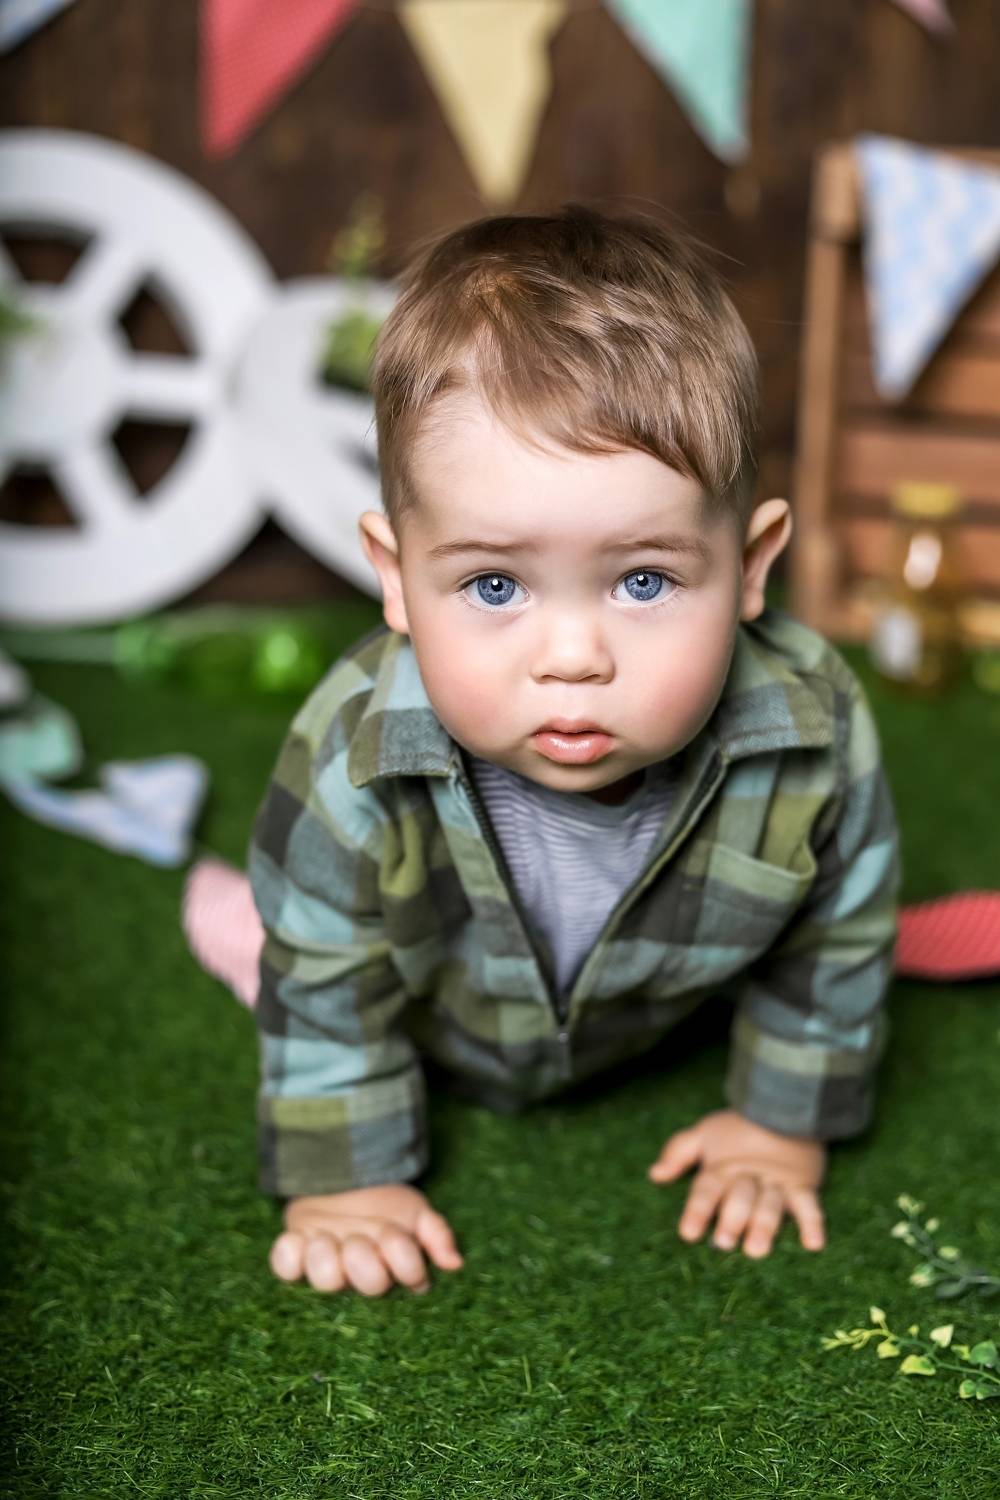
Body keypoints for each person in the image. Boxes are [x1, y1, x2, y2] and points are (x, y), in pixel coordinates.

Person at [247, 204, 901, 1298]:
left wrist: (780, 1123)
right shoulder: (354, 754)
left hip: (648, 1026)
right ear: (395, 578)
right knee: (288, 931)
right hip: (442, 1022)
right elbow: (322, 974)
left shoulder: (809, 732)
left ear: (750, 567)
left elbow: (838, 935)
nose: (572, 657)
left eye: (643, 580)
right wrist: (346, 1183)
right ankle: (230, 925)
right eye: (493, 585)